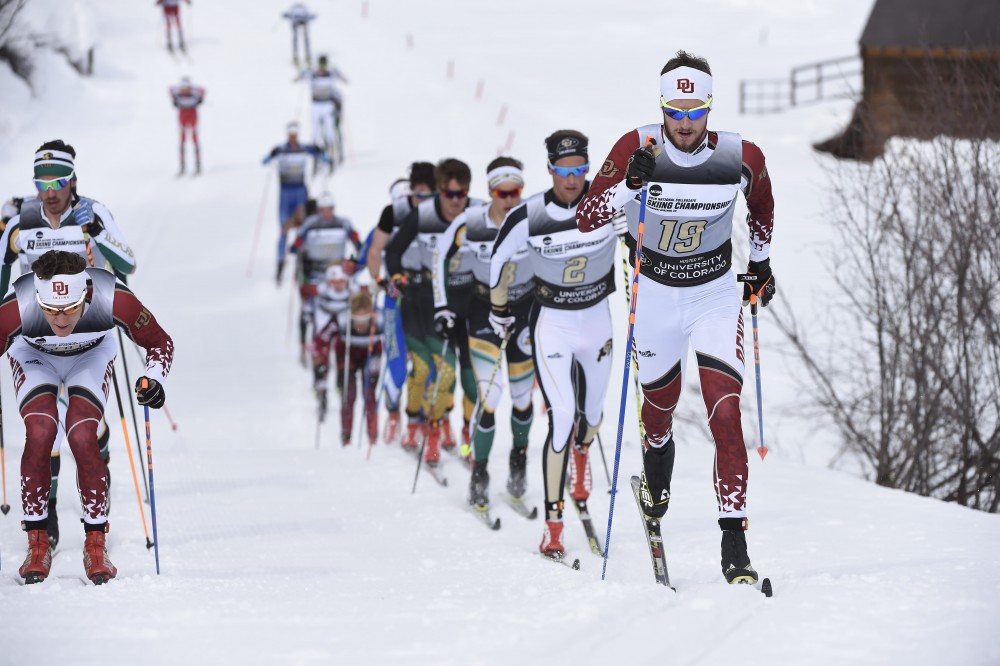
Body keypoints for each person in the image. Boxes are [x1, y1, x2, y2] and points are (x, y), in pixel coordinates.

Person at [576, 50, 776, 585]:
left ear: (709, 106)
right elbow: (586, 216)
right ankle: (656, 465)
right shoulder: (635, 146)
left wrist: (760, 263)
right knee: (659, 406)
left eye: (695, 111)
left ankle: (734, 540)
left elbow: (762, 205)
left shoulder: (740, 155)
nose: (684, 124)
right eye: (675, 111)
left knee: (726, 413)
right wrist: (628, 188)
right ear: (661, 106)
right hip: (657, 294)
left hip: (713, 293)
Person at [5, 250, 173, 584]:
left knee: (82, 434)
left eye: (71, 309)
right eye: (51, 310)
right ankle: (37, 543)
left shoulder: (112, 298)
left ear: (87, 295)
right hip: (34, 355)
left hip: (91, 355)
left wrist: (154, 380)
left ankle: (95, 543)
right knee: (41, 431)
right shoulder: (20, 303)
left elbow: (159, 342)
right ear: (38, 299)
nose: (62, 320)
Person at [1, 142, 138, 548]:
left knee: (83, 423)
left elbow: (127, 263)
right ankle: (51, 512)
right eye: (41, 183)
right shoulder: (21, 222)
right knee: (47, 428)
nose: (50, 191)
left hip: (89, 328)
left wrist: (98, 235)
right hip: (39, 333)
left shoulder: (93, 212)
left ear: (72, 180)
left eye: (58, 181)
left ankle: (101, 445)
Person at [490, 130, 617, 559]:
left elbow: (643, 230)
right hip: (554, 326)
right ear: (550, 170)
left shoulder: (606, 203)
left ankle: (582, 457)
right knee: (561, 417)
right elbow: (498, 260)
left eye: (580, 169)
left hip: (597, 321)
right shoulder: (529, 213)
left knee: (593, 413)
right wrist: (498, 307)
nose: (573, 178)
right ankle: (553, 524)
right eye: (564, 171)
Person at [432, 157, 536, 509]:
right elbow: (439, 257)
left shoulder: (532, 217)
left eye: (515, 191)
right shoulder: (470, 221)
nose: (508, 199)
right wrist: (442, 305)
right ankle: (479, 472)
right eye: (500, 192)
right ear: (489, 192)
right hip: (483, 313)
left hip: (523, 311)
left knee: (523, 399)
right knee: (489, 398)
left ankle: (518, 461)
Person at [385, 159, 479, 467]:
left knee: (469, 375)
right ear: (439, 191)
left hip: (468, 299)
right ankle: (423, 428)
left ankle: (466, 434)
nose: (455, 201)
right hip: (425, 300)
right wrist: (396, 276)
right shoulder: (422, 215)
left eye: (461, 194)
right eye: (448, 194)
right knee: (433, 369)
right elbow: (393, 249)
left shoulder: (478, 212)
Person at [366, 163, 436, 446]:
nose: (423, 203)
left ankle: (418, 419)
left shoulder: (441, 211)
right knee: (396, 364)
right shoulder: (394, 212)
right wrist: (379, 280)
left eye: (428, 197)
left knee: (428, 364)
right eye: (418, 196)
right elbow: (374, 250)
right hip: (398, 294)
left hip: (428, 293)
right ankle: (393, 412)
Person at [289, 192, 361, 364]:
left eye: (329, 210)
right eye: (323, 210)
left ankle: (344, 347)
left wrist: (355, 261)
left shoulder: (343, 223)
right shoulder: (310, 224)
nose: (326, 214)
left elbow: (358, 243)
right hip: (315, 273)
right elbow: (295, 246)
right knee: (308, 310)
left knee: (342, 307)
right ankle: (305, 345)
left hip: (336, 272)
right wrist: (300, 251)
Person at [262, 122, 330, 284]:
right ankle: (280, 264)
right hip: (286, 194)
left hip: (300, 192)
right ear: (287, 135)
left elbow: (324, 158)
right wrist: (271, 155)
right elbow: (264, 161)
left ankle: (304, 263)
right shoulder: (281, 149)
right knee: (284, 229)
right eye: (290, 135)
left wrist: (320, 152)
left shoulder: (303, 148)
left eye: (295, 135)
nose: (293, 138)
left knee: (303, 228)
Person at [334, 291, 383, 446]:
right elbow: (329, 338)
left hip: (371, 354)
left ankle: (372, 434)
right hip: (348, 353)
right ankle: (346, 435)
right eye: (356, 320)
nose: (360, 324)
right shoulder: (342, 321)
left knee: (369, 393)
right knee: (348, 394)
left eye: (365, 319)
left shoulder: (379, 321)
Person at [297, 55, 348, 166]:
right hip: (316, 106)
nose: (322, 69)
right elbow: (299, 77)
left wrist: (339, 74)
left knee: (329, 131)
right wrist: (303, 72)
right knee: (314, 131)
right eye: (320, 66)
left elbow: (343, 79)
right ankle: (315, 154)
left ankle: (332, 153)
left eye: (324, 66)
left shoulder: (331, 73)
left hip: (328, 105)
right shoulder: (312, 74)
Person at [169, 76, 206, 175]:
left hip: (192, 115)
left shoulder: (194, 94)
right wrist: (175, 97)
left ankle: (198, 164)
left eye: (187, 88)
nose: (184, 91)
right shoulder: (177, 94)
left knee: (194, 138)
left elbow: (202, 90)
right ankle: (182, 166)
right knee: (182, 139)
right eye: (182, 88)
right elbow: (170, 89)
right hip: (182, 115)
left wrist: (199, 96)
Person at [282, 2, 316, 67]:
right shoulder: (300, 10)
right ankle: (298, 56)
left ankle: (306, 56)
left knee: (303, 38)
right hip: (296, 21)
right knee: (298, 38)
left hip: (300, 21)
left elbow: (311, 17)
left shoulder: (300, 10)